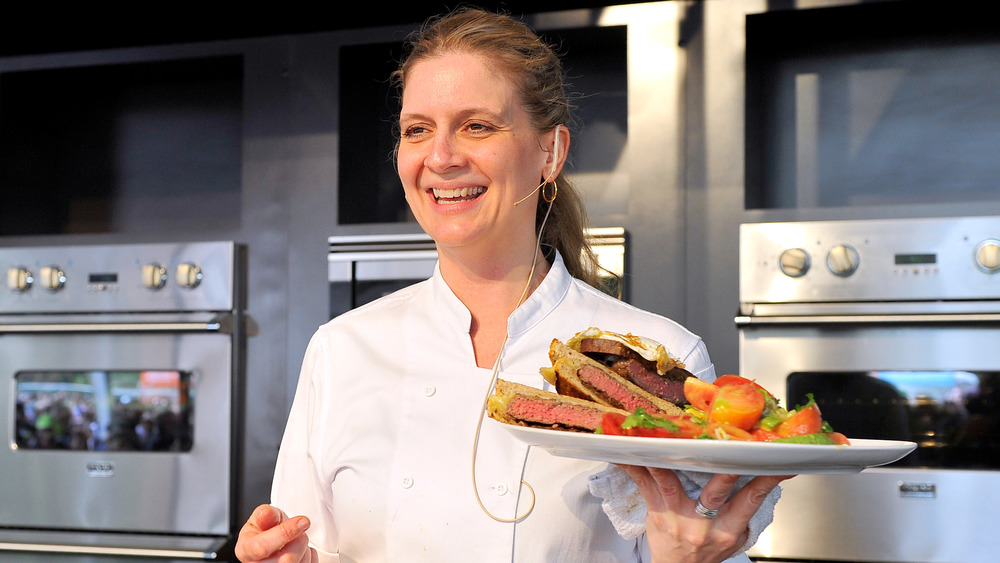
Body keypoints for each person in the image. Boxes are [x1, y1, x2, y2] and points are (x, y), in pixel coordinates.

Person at [235, 7, 788, 563]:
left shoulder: (656, 357)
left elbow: (695, 540)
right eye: (417, 130)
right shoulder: (341, 349)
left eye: (476, 125)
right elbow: (311, 545)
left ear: (550, 152)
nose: (441, 157)